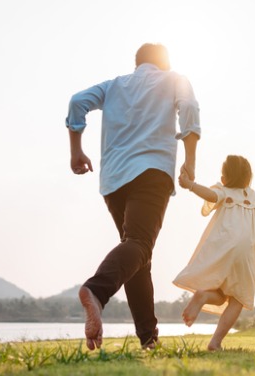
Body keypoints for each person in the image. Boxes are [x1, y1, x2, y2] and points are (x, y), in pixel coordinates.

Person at [65, 43, 201, 350]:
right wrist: (190, 159)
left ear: (137, 63)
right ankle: (96, 293)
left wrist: (76, 152)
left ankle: (148, 340)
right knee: (139, 246)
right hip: (152, 171)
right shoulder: (174, 78)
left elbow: (77, 102)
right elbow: (190, 109)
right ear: (164, 63)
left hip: (113, 180)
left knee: (138, 257)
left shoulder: (114, 85)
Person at [173, 155, 255, 351]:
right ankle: (215, 342)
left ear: (225, 178)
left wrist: (190, 185)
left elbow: (210, 196)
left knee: (220, 294)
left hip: (224, 246)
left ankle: (203, 295)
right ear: (249, 178)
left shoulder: (223, 191)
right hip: (246, 252)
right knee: (237, 300)